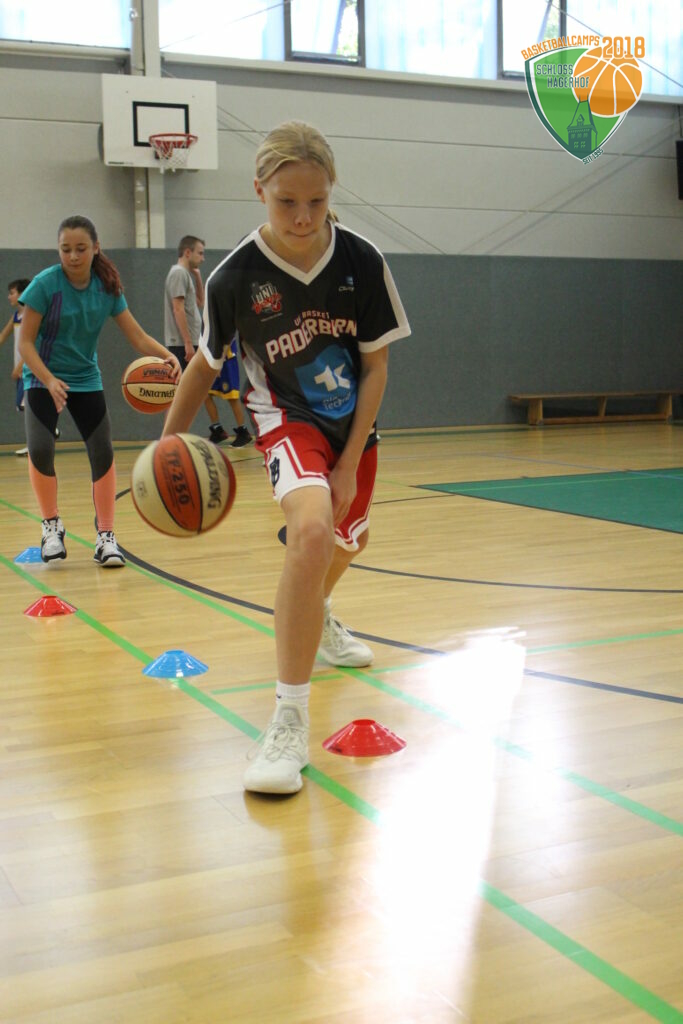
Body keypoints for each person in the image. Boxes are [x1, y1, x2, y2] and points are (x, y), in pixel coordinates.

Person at [163, 121, 411, 795]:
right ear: (259, 192)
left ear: (331, 193)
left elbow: (376, 367)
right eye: (286, 202)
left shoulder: (361, 260)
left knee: (347, 541)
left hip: (351, 426)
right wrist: (167, 445)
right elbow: (203, 365)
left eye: (317, 202)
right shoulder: (234, 276)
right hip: (284, 418)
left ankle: (317, 611)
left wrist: (349, 460)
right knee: (309, 531)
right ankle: (287, 722)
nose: (303, 217)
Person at [18, 214, 181, 567]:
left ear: (95, 248)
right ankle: (51, 526)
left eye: (80, 248)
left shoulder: (107, 288)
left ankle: (106, 537)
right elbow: (25, 343)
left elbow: (137, 336)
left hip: (84, 377)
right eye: (65, 249)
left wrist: (167, 356)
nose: (73, 256)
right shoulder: (45, 285)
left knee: (103, 451)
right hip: (42, 377)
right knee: (41, 449)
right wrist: (49, 379)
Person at [164, 235, 230, 444]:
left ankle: (174, 439)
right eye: (200, 253)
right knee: (178, 395)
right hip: (181, 343)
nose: (203, 258)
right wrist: (187, 342)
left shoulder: (186, 274)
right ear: (187, 252)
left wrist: (198, 277)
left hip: (191, 341)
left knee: (192, 392)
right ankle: (170, 441)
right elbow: (178, 308)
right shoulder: (178, 273)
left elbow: (200, 301)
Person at [0, 277, 32, 455]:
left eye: (12, 293)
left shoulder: (31, 316)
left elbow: (32, 344)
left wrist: (20, 366)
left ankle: (38, 440)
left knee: (27, 406)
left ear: (22, 294)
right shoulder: (15, 317)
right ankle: (46, 433)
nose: (9, 297)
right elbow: (2, 336)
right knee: (25, 407)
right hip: (21, 371)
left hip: (29, 369)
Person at [207, 335, 253, 447]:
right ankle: (217, 429)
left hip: (226, 358)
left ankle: (243, 432)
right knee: (205, 394)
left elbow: (229, 336)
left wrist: (220, 360)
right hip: (214, 358)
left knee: (232, 397)